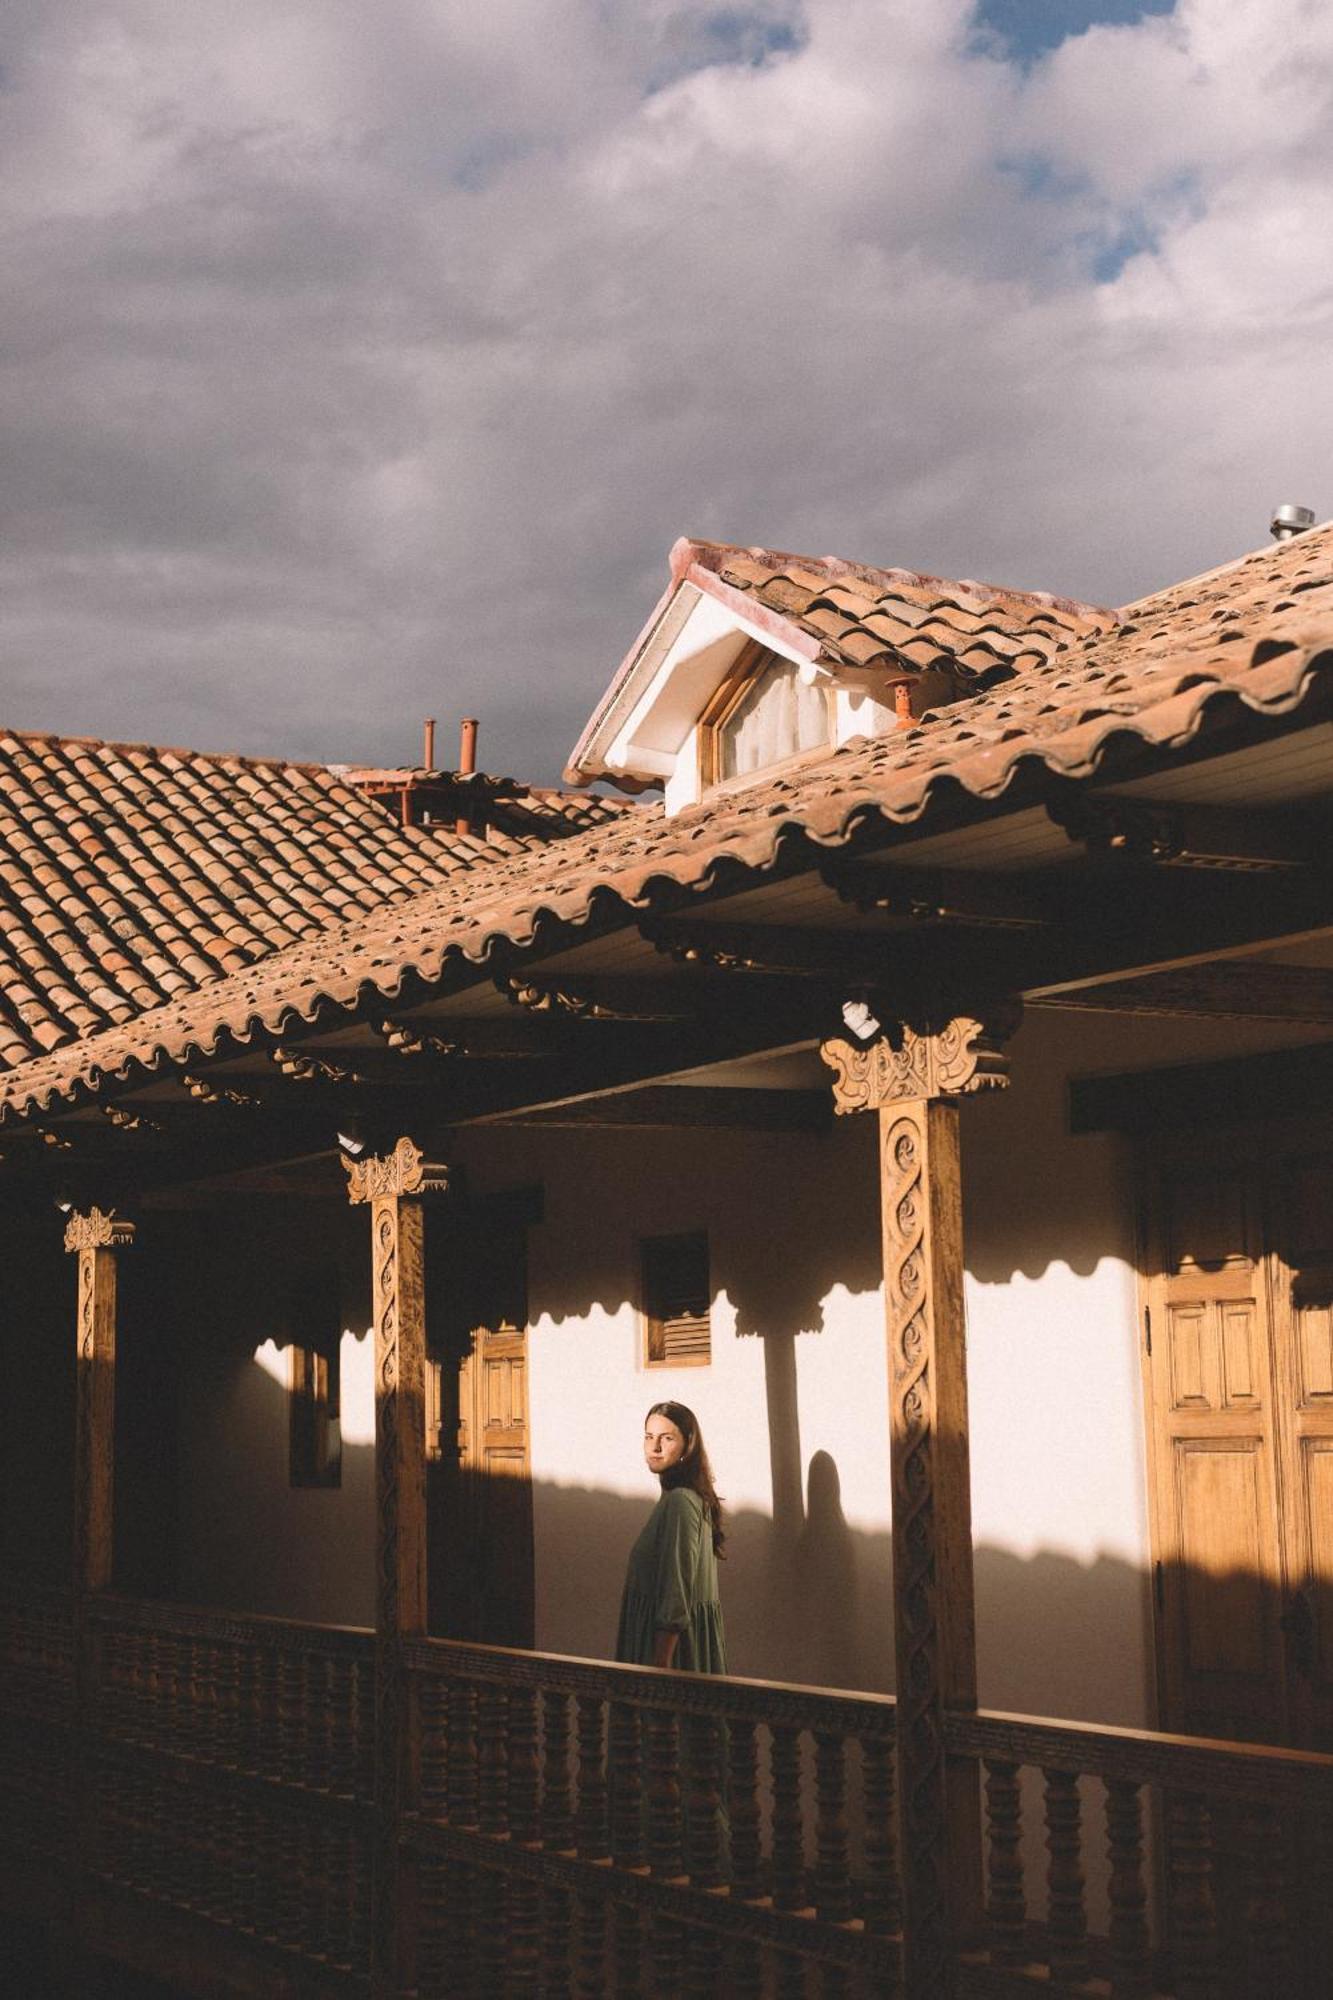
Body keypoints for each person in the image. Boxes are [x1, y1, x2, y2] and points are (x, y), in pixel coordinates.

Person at [615, 1401, 728, 1673]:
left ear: (687, 1445)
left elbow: (677, 1588)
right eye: (648, 1437)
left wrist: (661, 1665)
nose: (654, 1447)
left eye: (666, 1438)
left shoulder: (680, 1501)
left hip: (668, 1653)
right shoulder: (681, 1498)